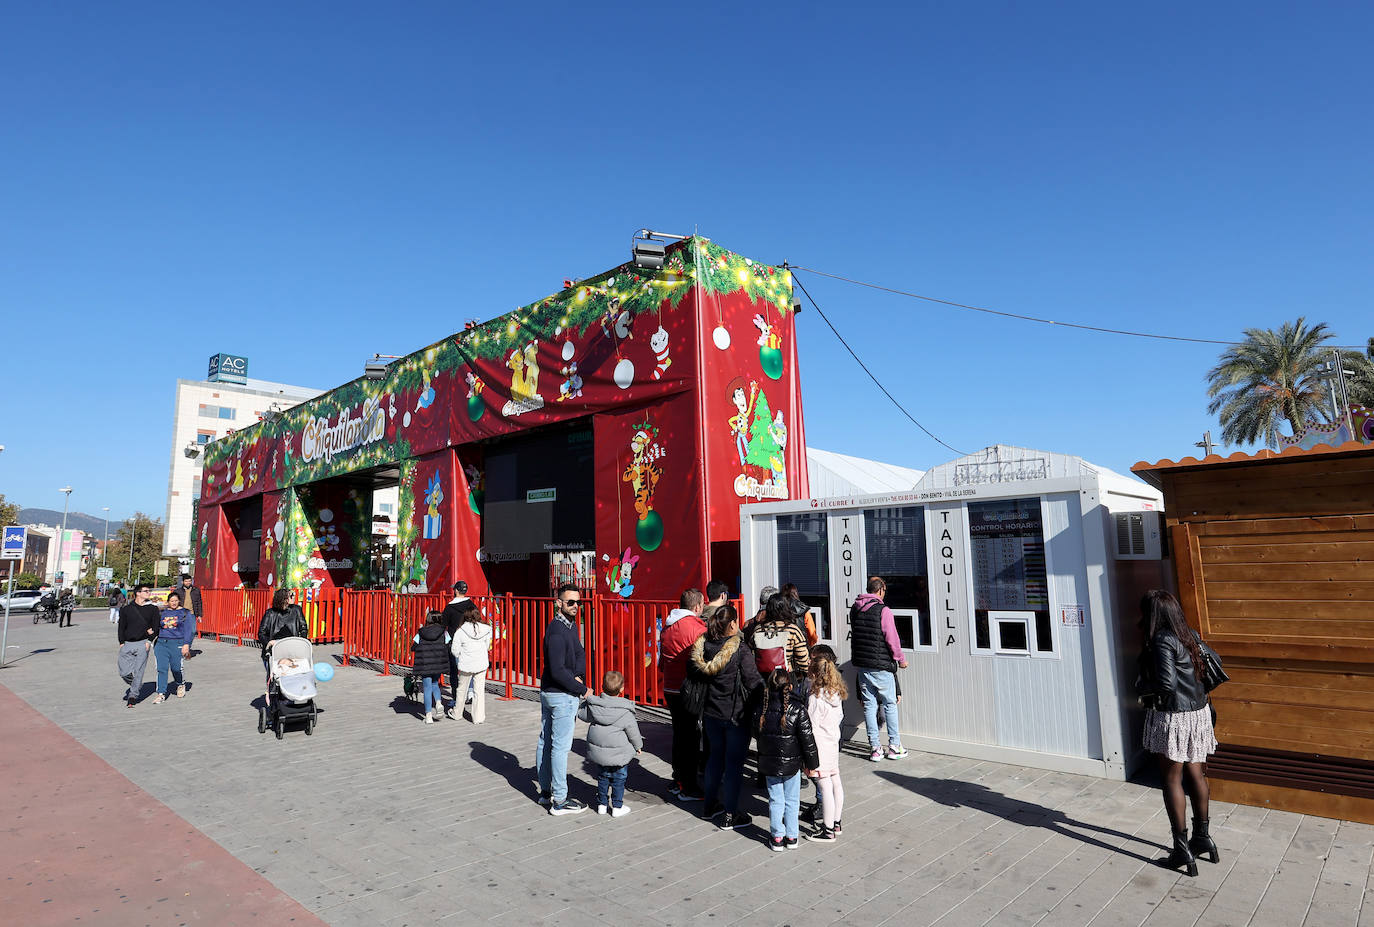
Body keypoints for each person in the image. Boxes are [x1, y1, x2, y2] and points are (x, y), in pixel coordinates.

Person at [1137, 590, 1219, 877]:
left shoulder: (1161, 639)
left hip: (1174, 717)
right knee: (1197, 774)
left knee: (1171, 777)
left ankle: (1180, 848)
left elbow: (1167, 685)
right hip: (1198, 713)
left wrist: (1142, 693)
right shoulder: (1189, 634)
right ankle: (1203, 837)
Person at [688, 603, 763, 830]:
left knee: (714, 760)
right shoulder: (739, 650)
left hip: (710, 713)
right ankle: (730, 814)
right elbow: (753, 681)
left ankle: (709, 806)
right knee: (733, 765)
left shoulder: (703, 646)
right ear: (732, 624)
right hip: (735, 715)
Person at [537, 582, 589, 815]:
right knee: (558, 747)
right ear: (558, 603)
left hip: (554, 692)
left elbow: (580, 652)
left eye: (578, 602)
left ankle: (546, 792)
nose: (576, 606)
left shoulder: (569, 626)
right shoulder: (557, 631)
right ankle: (559, 799)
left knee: (546, 742)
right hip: (560, 695)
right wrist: (581, 689)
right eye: (570, 602)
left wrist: (578, 674)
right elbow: (557, 670)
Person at [755, 668, 820, 851]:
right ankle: (792, 836)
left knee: (776, 800)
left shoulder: (762, 707)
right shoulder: (798, 708)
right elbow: (808, 739)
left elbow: (756, 732)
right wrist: (812, 764)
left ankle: (777, 837)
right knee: (792, 800)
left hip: (770, 763)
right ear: (790, 686)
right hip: (792, 764)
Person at [850, 576, 909, 762]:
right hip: (882, 666)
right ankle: (894, 746)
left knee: (869, 706)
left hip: (863, 666)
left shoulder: (855, 609)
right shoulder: (883, 611)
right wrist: (901, 659)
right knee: (890, 705)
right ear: (881, 590)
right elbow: (892, 638)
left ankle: (875, 749)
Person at [658, 588, 707, 801]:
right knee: (690, 738)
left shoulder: (668, 626)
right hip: (688, 689)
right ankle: (688, 785)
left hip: (670, 686)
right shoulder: (695, 628)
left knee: (679, 735)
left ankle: (677, 780)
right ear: (697, 607)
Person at [579, 669, 644, 817]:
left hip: (600, 753)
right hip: (619, 754)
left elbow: (581, 714)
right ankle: (617, 806)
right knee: (619, 779)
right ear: (622, 689)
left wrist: (584, 700)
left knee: (602, 778)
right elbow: (633, 732)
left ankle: (602, 804)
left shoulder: (594, 706)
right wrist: (638, 746)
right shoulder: (625, 710)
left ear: (602, 687)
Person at [804, 647, 847, 841]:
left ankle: (827, 830)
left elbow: (810, 725)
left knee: (824, 786)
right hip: (832, 742)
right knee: (835, 782)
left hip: (818, 746)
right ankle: (836, 822)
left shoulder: (815, 698)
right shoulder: (836, 694)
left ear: (814, 674)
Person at [256, 589, 309, 693]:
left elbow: (303, 627)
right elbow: (261, 633)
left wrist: (302, 641)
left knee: (293, 676)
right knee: (275, 677)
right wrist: (269, 642)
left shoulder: (296, 610)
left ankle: (292, 697)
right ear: (283, 599)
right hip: (274, 651)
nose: (294, 597)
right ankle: (274, 699)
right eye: (291, 595)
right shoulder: (270, 613)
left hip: (292, 649)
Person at [450, 600, 493, 723]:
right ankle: (478, 717)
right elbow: (487, 647)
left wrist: (460, 655)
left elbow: (455, 650)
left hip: (466, 664)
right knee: (479, 690)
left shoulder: (460, 631)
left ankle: (457, 713)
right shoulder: (486, 629)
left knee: (461, 689)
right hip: (481, 663)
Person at [116, 583, 159, 707]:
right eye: (146, 591)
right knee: (123, 672)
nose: (148, 593)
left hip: (143, 643)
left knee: (139, 671)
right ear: (138, 593)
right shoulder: (126, 609)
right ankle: (137, 684)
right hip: (127, 643)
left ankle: (133, 696)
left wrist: (149, 641)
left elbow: (156, 627)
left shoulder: (153, 609)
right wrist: (121, 642)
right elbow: (121, 627)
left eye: (149, 591)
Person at [750, 594, 811, 677]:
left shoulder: (758, 629)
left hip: (762, 677)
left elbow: (751, 651)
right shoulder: (792, 630)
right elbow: (802, 659)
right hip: (785, 677)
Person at [151, 590, 193, 703]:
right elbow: (155, 624)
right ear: (168, 602)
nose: (174, 603)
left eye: (175, 601)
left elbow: (189, 630)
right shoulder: (162, 612)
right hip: (161, 643)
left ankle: (180, 684)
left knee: (176, 668)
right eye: (171, 601)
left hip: (177, 643)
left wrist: (186, 644)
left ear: (179, 601)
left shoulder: (185, 613)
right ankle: (161, 693)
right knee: (161, 668)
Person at [412, 611, 452, 724]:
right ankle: (438, 703)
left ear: (428, 619)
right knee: (435, 684)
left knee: (427, 688)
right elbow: (448, 645)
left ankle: (428, 715)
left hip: (425, 663)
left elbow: (414, 646)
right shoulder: (444, 632)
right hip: (438, 663)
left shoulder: (421, 632)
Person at [441, 580, 472, 712]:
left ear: (456, 591)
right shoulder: (471, 605)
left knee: (455, 670)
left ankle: (455, 697)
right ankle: (470, 692)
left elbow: (443, 625)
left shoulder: (449, 607)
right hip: (470, 640)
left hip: (455, 641)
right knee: (469, 668)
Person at [780, 583, 818, 647]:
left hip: (784, 646)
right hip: (801, 645)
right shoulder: (803, 609)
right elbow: (812, 635)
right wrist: (808, 646)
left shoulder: (778, 609)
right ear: (795, 593)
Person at [176, 574, 203, 657]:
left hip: (191, 614)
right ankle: (179, 648)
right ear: (182, 582)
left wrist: (199, 615)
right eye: (186, 581)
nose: (188, 582)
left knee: (192, 631)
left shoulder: (196, 590)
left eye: (189, 581)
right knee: (180, 632)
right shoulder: (178, 591)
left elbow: (199, 603)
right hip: (180, 613)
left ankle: (187, 647)